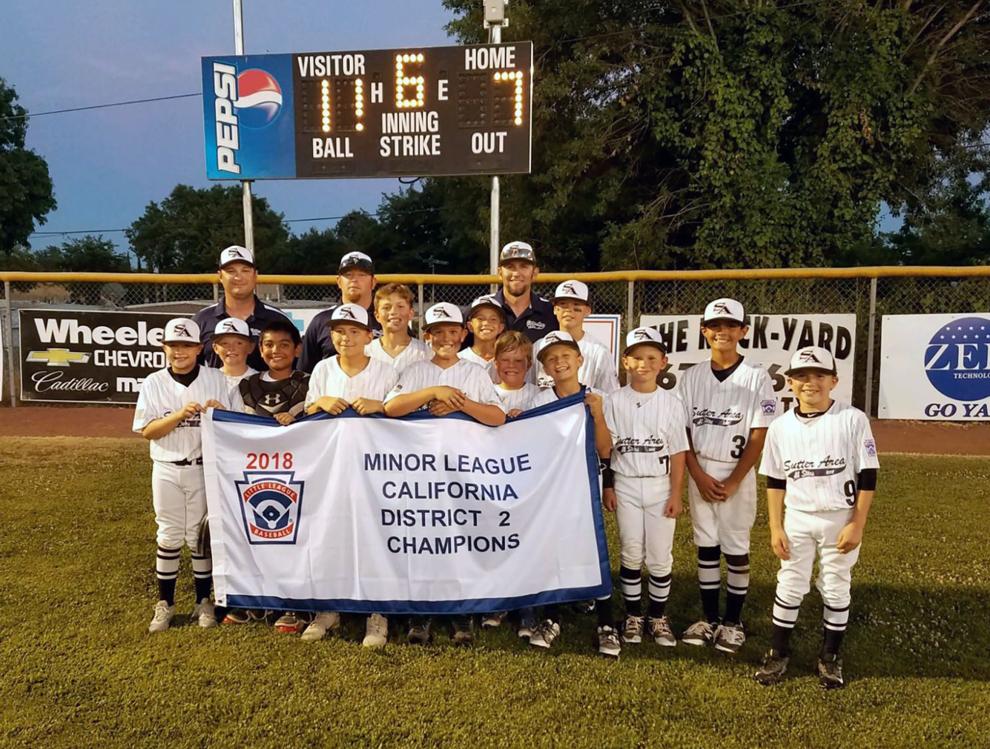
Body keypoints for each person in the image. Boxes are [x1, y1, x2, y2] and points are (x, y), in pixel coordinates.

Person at [754, 347, 878, 689]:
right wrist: (776, 525)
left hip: (840, 516)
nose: (811, 383)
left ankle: (830, 657)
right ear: (789, 383)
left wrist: (857, 523)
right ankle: (778, 652)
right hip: (797, 516)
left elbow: (868, 475)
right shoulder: (780, 427)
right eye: (802, 376)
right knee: (790, 582)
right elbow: (775, 480)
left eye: (819, 375)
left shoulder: (852, 419)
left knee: (837, 586)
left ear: (833, 381)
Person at [384, 302, 507, 646]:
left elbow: (497, 417)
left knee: (457, 538)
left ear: (463, 333)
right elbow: (392, 408)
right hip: (419, 471)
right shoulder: (415, 369)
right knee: (423, 539)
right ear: (428, 336)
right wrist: (433, 392)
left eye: (453, 331)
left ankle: (459, 612)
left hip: (461, 469)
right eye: (438, 332)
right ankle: (420, 613)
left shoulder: (473, 372)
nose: (446, 338)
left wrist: (459, 403)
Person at [677, 298, 778, 654]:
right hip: (701, 468)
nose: (723, 332)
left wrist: (735, 479)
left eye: (730, 326)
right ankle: (709, 619)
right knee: (706, 544)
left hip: (737, 472)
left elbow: (759, 433)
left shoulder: (756, 377)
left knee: (735, 546)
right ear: (704, 331)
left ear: (743, 331)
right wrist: (697, 474)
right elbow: (683, 431)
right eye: (715, 326)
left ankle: (733, 622)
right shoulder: (691, 377)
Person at [301, 304, 398, 647]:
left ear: (368, 335)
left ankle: (377, 612)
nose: (346, 337)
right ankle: (329, 607)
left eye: (354, 331)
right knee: (332, 534)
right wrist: (318, 404)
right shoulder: (323, 370)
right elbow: (308, 414)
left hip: (374, 467)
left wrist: (382, 407)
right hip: (331, 467)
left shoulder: (386, 371)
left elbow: (402, 420)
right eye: (340, 331)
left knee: (374, 535)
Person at [133, 318, 234, 634]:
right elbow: (148, 431)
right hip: (166, 467)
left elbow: (232, 425)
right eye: (173, 345)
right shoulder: (153, 382)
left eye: (186, 345)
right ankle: (166, 603)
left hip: (204, 467)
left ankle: (203, 601)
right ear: (164, 347)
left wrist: (220, 411)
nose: (180, 351)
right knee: (168, 535)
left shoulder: (215, 378)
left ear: (198, 348)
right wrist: (178, 416)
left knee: (198, 537)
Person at [526, 331, 616, 656]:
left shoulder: (597, 397)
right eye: (551, 359)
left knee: (594, 550)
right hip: (552, 487)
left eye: (565, 355)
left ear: (580, 359)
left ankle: (607, 623)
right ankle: (551, 617)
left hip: (585, 484)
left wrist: (598, 415)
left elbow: (606, 450)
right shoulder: (539, 401)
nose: (559, 362)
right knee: (553, 550)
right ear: (545, 369)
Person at [602, 328, 688, 652]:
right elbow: (607, 449)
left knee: (660, 556)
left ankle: (658, 616)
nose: (644, 363)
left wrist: (676, 493)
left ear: (663, 363)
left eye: (652, 357)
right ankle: (634, 615)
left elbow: (679, 451)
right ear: (625, 361)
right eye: (637, 357)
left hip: (659, 484)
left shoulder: (671, 402)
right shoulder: (613, 401)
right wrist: (608, 486)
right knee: (630, 551)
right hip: (625, 483)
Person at [235, 318, 311, 634]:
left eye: (283, 344)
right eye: (268, 344)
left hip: (300, 468)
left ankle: (294, 603)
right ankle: (256, 597)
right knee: (258, 530)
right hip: (256, 469)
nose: (275, 350)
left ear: (297, 349)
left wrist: (295, 418)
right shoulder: (246, 386)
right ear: (259, 349)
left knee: (296, 532)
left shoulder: (310, 382)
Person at [194, 245, 290, 372]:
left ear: (255, 275)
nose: (238, 277)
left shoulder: (277, 320)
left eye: (245, 270)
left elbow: (293, 368)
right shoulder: (202, 320)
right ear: (220, 276)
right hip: (214, 391)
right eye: (231, 271)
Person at [299, 251, 381, 373]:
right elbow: (304, 372)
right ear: (338, 281)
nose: (354, 279)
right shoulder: (321, 321)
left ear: (373, 282)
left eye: (362, 274)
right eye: (348, 274)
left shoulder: (386, 320)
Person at [537, 279, 619, 394]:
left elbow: (610, 395)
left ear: (587, 311)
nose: (569, 310)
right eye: (563, 304)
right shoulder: (539, 345)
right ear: (555, 309)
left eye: (576, 305)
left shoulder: (599, 351)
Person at [492, 241, 558, 344]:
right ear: (500, 273)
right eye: (510, 267)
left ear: (535, 272)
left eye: (523, 266)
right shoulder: (482, 308)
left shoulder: (551, 312)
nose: (516, 273)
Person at [365, 282, 431, 373]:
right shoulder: (366, 351)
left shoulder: (425, 353)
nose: (393, 312)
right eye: (386, 307)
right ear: (377, 316)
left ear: (411, 313)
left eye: (400, 306)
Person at [492, 331, 541, 418]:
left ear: (529, 365)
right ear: (496, 363)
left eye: (518, 360)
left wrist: (526, 416)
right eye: (505, 360)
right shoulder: (486, 392)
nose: (511, 365)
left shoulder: (539, 395)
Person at [458, 295, 506, 383]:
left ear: (501, 327)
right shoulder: (459, 359)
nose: (486, 323)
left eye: (493, 319)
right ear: (470, 326)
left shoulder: (509, 360)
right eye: (480, 318)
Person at [211, 318, 257, 395]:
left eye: (239, 343)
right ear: (215, 348)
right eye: (224, 343)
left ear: (251, 347)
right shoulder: (208, 380)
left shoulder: (260, 381)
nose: (231, 348)